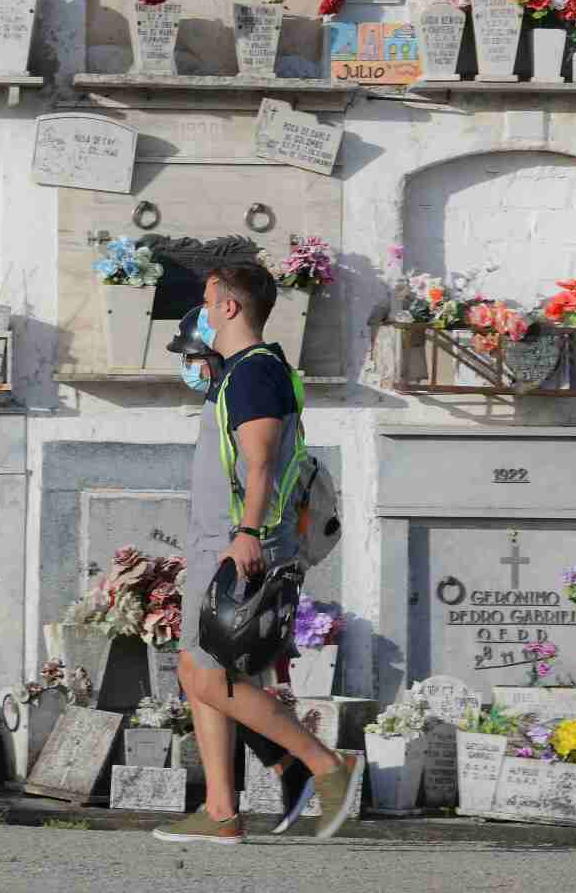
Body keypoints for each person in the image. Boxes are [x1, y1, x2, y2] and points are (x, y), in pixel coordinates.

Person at [152, 265, 362, 845]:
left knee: (202, 672)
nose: (199, 309)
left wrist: (245, 534)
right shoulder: (241, 373)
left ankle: (324, 764)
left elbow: (262, 460)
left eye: (205, 299)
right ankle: (222, 812)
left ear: (228, 309)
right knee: (204, 671)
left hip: (241, 538)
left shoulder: (255, 372)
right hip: (220, 537)